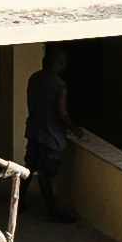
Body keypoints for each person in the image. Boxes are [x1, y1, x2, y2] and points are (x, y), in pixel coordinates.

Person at [23, 59, 74, 223]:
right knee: (45, 175)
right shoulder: (59, 85)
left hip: (34, 130)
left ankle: (18, 202)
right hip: (50, 136)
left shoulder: (34, 78)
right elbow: (63, 113)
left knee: (28, 169)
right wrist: (74, 129)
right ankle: (52, 211)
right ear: (60, 62)